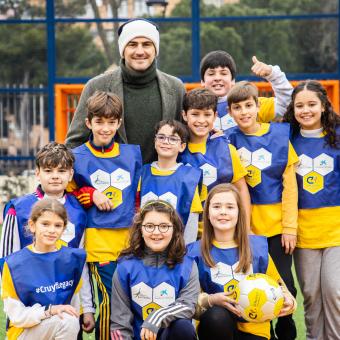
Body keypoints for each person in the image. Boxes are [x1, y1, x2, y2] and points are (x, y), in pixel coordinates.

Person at [226, 81, 299, 340]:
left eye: (249, 105)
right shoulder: (228, 140)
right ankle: (263, 333)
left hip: (277, 228)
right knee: (253, 287)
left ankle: (286, 330)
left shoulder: (278, 137)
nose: (244, 112)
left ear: (258, 106)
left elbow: (290, 188)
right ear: (230, 112)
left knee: (284, 285)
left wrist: (290, 227)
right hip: (246, 229)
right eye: (237, 107)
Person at [0, 142, 95, 334]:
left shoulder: (79, 211)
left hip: (65, 301)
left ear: (70, 175)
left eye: (61, 170)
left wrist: (88, 309)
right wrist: (15, 308)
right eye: (48, 170)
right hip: (30, 305)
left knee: (67, 323)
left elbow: (81, 265)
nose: (55, 176)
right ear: (37, 173)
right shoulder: (17, 208)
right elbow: (7, 261)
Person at [70, 90, 142, 340]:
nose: (105, 128)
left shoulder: (132, 155)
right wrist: (88, 193)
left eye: (111, 122)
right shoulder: (76, 157)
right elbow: (67, 195)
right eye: (99, 122)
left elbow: (138, 194)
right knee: (110, 304)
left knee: (131, 303)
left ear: (119, 123)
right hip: (98, 245)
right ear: (88, 122)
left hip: (130, 244)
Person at [66, 18, 185, 164]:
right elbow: (75, 143)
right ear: (123, 50)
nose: (140, 51)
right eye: (132, 44)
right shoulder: (96, 86)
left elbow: (188, 140)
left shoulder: (175, 88)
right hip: (110, 183)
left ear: (156, 49)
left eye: (147, 44)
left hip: (162, 184)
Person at [188, 184, 296, 340]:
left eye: (230, 207)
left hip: (254, 327)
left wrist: (289, 302)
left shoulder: (257, 249)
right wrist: (211, 300)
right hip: (216, 326)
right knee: (217, 316)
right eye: (216, 206)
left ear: (239, 212)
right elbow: (187, 302)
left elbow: (281, 288)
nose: (223, 212)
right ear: (207, 213)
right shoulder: (194, 252)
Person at [283, 80, 340, 340]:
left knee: (334, 290)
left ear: (324, 106)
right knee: (311, 294)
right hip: (303, 231)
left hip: (336, 230)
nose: (306, 110)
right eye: (299, 105)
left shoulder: (337, 136)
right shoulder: (286, 138)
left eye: (312, 104)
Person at [110, 200, 199, 340]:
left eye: (164, 226)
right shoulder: (125, 267)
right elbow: (119, 322)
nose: (156, 232)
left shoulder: (187, 265)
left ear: (174, 229)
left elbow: (188, 306)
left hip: (170, 336)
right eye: (149, 226)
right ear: (140, 229)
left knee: (183, 327)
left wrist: (157, 317)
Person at [1, 199, 86, 340]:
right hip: (24, 332)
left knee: (69, 320)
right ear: (32, 225)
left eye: (58, 225)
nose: (51, 230)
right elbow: (16, 316)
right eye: (45, 224)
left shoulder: (72, 259)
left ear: (64, 228)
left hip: (60, 324)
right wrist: (49, 311)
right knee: (66, 320)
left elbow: (75, 303)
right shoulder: (13, 264)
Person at [179, 88, 251, 233]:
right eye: (195, 114)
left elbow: (242, 189)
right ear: (184, 115)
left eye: (207, 114)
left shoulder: (227, 149)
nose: (201, 120)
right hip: (186, 232)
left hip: (222, 230)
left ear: (215, 116)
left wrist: (246, 228)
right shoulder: (176, 150)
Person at [139, 119, 203, 244]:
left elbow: (191, 221)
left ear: (182, 146)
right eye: (161, 137)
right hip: (145, 249)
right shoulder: (142, 173)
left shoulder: (188, 177)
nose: (166, 142)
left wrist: (185, 252)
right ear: (155, 141)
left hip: (176, 249)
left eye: (173, 139)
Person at [200, 51, 293, 131]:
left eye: (223, 73)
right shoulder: (192, 109)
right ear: (202, 81)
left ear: (233, 80)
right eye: (211, 74)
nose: (217, 78)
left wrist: (273, 74)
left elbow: (287, 104)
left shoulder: (252, 105)